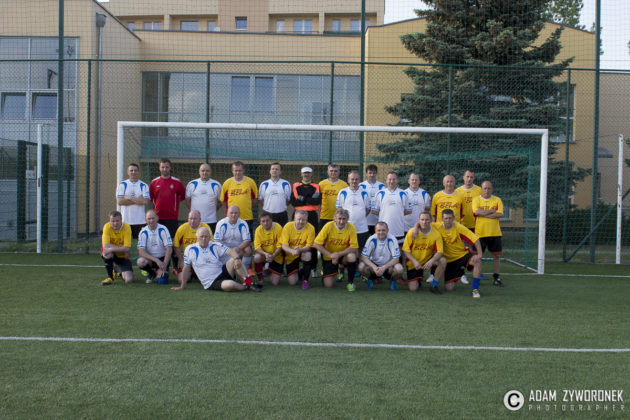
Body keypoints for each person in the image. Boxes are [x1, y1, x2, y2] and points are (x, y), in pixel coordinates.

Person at [171, 227, 260, 292]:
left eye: (206, 236)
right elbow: (186, 268)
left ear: (210, 237)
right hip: (211, 282)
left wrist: (236, 259)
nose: (204, 239)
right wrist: (182, 286)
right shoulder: (190, 249)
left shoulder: (214, 245)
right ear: (197, 238)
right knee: (230, 285)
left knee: (235, 259)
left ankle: (249, 283)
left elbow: (230, 251)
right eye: (201, 236)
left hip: (223, 272)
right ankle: (246, 287)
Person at [434, 209, 484, 298]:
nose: (448, 220)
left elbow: (475, 239)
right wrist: (415, 229)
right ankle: (460, 272)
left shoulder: (459, 227)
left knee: (477, 261)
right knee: (449, 288)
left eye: (450, 218)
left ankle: (475, 290)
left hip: (462, 255)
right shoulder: (436, 227)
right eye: (446, 218)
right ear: (442, 219)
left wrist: (479, 254)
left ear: (453, 218)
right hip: (449, 261)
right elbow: (422, 224)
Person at [149, 158, 186, 269]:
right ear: (159, 168)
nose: (165, 169)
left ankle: (175, 267)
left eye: (167, 167)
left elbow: (182, 196)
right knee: (159, 243)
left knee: (173, 243)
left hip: (172, 218)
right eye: (162, 167)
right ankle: (160, 266)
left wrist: (172, 205)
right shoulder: (154, 183)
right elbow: (151, 198)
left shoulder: (177, 182)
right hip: (158, 219)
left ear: (170, 168)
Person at [313, 208, 359, 291]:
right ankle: (333, 270)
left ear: (347, 219)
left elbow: (354, 247)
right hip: (329, 256)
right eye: (339, 218)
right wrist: (330, 255)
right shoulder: (328, 226)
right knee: (328, 285)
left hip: (342, 255)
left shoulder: (351, 227)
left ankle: (350, 282)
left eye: (344, 219)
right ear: (335, 219)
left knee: (352, 256)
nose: (341, 221)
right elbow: (316, 244)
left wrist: (338, 255)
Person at [402, 211, 446, 294]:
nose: (424, 222)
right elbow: (405, 250)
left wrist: (431, 261)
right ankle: (418, 278)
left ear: (431, 221)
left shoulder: (436, 233)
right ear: (419, 220)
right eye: (422, 219)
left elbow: (440, 252)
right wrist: (414, 262)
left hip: (427, 260)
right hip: (414, 262)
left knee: (443, 261)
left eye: (427, 220)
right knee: (413, 289)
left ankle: (434, 285)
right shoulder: (412, 232)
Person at [472, 180, 504, 286]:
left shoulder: (497, 199)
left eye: (489, 188)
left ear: (492, 189)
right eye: (485, 188)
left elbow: (500, 214)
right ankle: (477, 277)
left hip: (495, 233)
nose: (487, 190)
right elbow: (476, 212)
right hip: (480, 233)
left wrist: (483, 214)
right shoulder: (476, 199)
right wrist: (491, 211)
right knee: (478, 257)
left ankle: (496, 277)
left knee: (496, 256)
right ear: (481, 189)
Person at [291, 166, 321, 278]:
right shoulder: (295, 185)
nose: (306, 175)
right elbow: (294, 202)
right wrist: (309, 199)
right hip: (297, 214)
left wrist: (302, 198)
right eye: (304, 173)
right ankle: (294, 267)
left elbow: (317, 201)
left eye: (308, 173)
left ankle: (313, 268)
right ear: (301, 174)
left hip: (312, 215)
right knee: (294, 240)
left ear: (311, 174)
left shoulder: (316, 186)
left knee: (312, 241)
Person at [213, 205, 254, 286]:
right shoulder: (221, 223)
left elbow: (247, 241)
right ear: (227, 213)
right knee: (215, 250)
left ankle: (245, 274)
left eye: (236, 213)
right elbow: (216, 241)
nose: (233, 215)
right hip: (225, 250)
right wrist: (229, 250)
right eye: (231, 213)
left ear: (239, 214)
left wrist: (238, 248)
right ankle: (222, 271)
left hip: (238, 250)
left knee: (248, 250)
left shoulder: (243, 223)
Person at [359, 221, 404, 291]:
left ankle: (392, 280)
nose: (381, 232)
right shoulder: (371, 239)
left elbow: (396, 259)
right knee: (361, 266)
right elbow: (364, 257)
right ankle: (371, 279)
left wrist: (384, 267)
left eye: (383, 230)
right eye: (379, 230)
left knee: (399, 268)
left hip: (388, 266)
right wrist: (374, 267)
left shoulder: (392, 239)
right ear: (375, 230)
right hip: (375, 265)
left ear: (388, 230)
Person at [172, 210, 211, 284]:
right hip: (188, 260)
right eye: (191, 218)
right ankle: (191, 273)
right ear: (188, 219)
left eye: (195, 218)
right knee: (181, 279)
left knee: (206, 279)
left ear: (200, 219)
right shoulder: (182, 228)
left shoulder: (205, 228)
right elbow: (176, 246)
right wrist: (181, 260)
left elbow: (210, 245)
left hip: (202, 259)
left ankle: (197, 273)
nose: (192, 221)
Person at [279, 209, 316, 289]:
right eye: (299, 219)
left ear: (307, 220)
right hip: (291, 255)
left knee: (307, 254)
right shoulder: (288, 226)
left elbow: (309, 246)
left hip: (302, 252)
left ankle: (305, 281)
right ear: (294, 219)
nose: (301, 221)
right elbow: (284, 245)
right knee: (292, 282)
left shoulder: (311, 228)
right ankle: (301, 272)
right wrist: (292, 251)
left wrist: (299, 250)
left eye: (304, 220)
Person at [372, 171, 411, 243]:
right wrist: (385, 214)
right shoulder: (379, 193)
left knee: (399, 248)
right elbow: (374, 211)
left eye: (394, 179)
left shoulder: (403, 193)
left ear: (397, 180)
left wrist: (397, 214)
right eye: (390, 179)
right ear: (386, 180)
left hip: (398, 229)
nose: (392, 181)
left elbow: (408, 210)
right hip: (383, 230)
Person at [336, 170, 371, 251]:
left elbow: (368, 209)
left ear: (359, 180)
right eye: (352, 179)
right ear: (348, 180)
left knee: (360, 250)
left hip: (362, 228)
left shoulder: (365, 193)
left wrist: (360, 217)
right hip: (346, 227)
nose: (354, 181)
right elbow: (339, 209)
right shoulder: (342, 192)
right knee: (346, 250)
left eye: (356, 179)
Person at [220, 161, 258, 234]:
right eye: (236, 171)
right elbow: (223, 200)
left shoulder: (250, 182)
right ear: (232, 171)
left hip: (247, 217)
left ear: (243, 170)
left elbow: (255, 199)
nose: (237, 173)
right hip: (231, 218)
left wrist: (247, 206)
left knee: (247, 239)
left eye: (240, 170)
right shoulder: (227, 183)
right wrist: (231, 209)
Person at [137, 209, 173, 285]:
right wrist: (156, 260)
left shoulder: (163, 229)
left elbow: (169, 249)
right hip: (151, 259)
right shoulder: (143, 232)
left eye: (153, 218)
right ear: (146, 220)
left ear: (157, 218)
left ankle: (161, 271)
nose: (151, 220)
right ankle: (151, 273)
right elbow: (141, 252)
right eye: (149, 219)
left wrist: (164, 264)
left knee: (162, 281)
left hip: (162, 258)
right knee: (140, 262)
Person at [115, 163, 150, 239]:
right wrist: (138, 200)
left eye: (135, 170)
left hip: (140, 221)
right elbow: (120, 202)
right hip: (126, 221)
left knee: (140, 243)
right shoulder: (122, 185)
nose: (133, 172)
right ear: (128, 172)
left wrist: (129, 197)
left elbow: (145, 202)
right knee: (125, 243)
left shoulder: (144, 185)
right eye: (131, 170)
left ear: (138, 172)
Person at [185, 163, 221, 234]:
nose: (205, 173)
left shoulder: (217, 185)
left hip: (211, 221)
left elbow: (220, 202)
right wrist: (194, 213)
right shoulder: (191, 184)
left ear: (210, 172)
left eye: (207, 171)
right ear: (199, 172)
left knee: (209, 239)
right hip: (195, 221)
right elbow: (187, 201)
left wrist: (213, 209)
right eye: (203, 170)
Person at [101, 210, 134, 285]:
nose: (115, 223)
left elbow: (127, 248)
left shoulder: (126, 227)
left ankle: (116, 269)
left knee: (128, 280)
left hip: (123, 256)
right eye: (113, 221)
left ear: (121, 220)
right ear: (109, 221)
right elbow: (105, 247)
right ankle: (110, 277)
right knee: (107, 253)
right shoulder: (106, 227)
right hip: (113, 253)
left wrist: (112, 248)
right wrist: (122, 248)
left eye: (117, 221)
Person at [253, 211, 283, 286]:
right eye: (263, 221)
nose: (266, 223)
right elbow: (257, 247)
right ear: (260, 222)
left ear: (271, 220)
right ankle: (260, 278)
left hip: (276, 256)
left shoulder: (278, 227)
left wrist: (273, 256)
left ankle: (270, 269)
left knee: (275, 283)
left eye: (267, 220)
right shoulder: (258, 230)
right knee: (257, 257)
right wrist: (265, 254)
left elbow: (280, 246)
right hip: (265, 256)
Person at [319, 164, 348, 231]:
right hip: (324, 216)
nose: (333, 173)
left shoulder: (344, 185)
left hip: (339, 217)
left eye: (335, 171)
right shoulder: (321, 184)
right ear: (328, 172)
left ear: (339, 172)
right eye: (331, 171)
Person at [359, 164, 385, 235]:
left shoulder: (382, 186)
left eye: (374, 173)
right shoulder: (361, 186)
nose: (372, 175)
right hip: (365, 220)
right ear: (366, 174)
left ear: (376, 173)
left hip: (377, 219)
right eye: (370, 173)